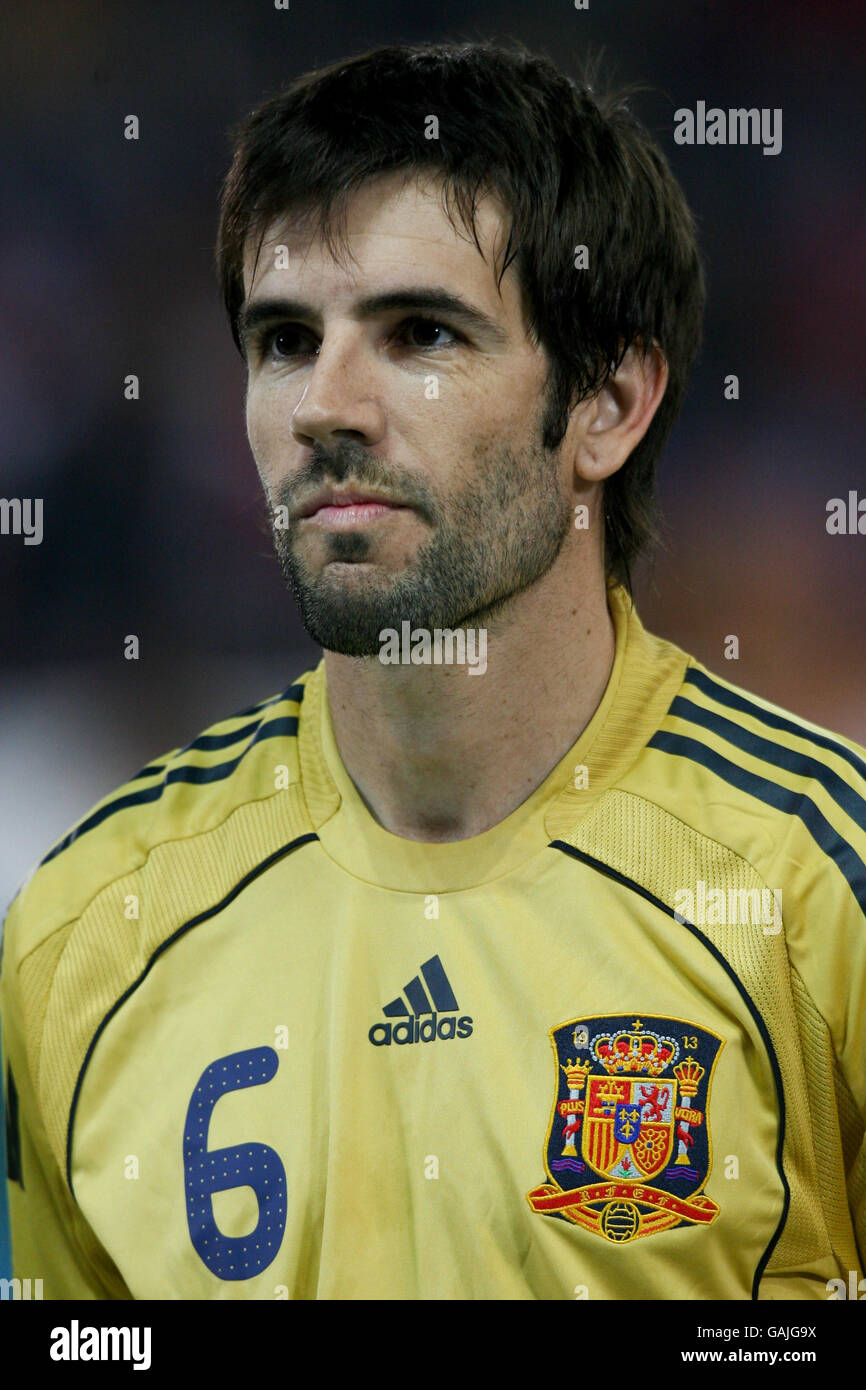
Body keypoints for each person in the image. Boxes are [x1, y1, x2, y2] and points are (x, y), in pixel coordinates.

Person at [1, 40, 863, 1301]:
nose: (324, 406)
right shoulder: (88, 927)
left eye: (419, 332)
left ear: (608, 405)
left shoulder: (819, 898)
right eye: (284, 340)